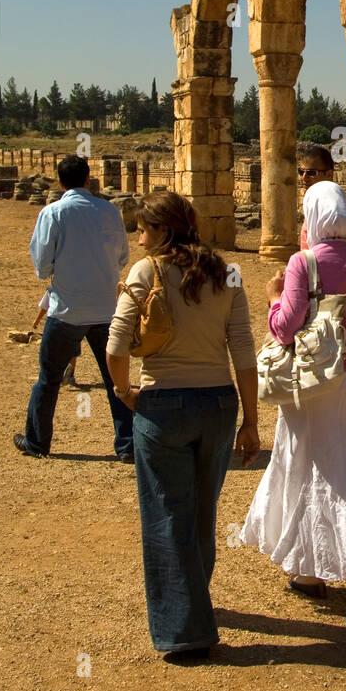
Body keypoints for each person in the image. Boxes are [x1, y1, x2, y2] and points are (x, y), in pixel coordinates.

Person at [242, 181, 346, 628]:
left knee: (304, 466)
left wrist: (273, 297)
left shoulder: (303, 262)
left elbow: (285, 328)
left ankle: (307, 571)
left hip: (313, 382)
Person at [106, 191, 260, 661]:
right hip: (217, 404)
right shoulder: (227, 272)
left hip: (163, 403)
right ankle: (195, 602)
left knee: (166, 514)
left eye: (144, 228)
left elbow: (114, 348)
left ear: (165, 230)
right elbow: (245, 354)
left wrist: (124, 392)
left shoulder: (146, 271)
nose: (138, 236)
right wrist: (251, 423)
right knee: (201, 512)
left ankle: (183, 630)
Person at [14, 155, 134, 460]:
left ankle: (37, 442)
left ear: (59, 181)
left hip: (67, 309)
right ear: (87, 179)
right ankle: (128, 444)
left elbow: (42, 266)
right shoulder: (109, 211)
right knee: (114, 380)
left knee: (49, 377)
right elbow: (122, 257)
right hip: (107, 309)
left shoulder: (53, 213)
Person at [297, 143, 346, 249]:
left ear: (329, 174)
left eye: (311, 173)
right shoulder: (316, 202)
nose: (304, 177)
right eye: (301, 172)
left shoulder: (337, 207)